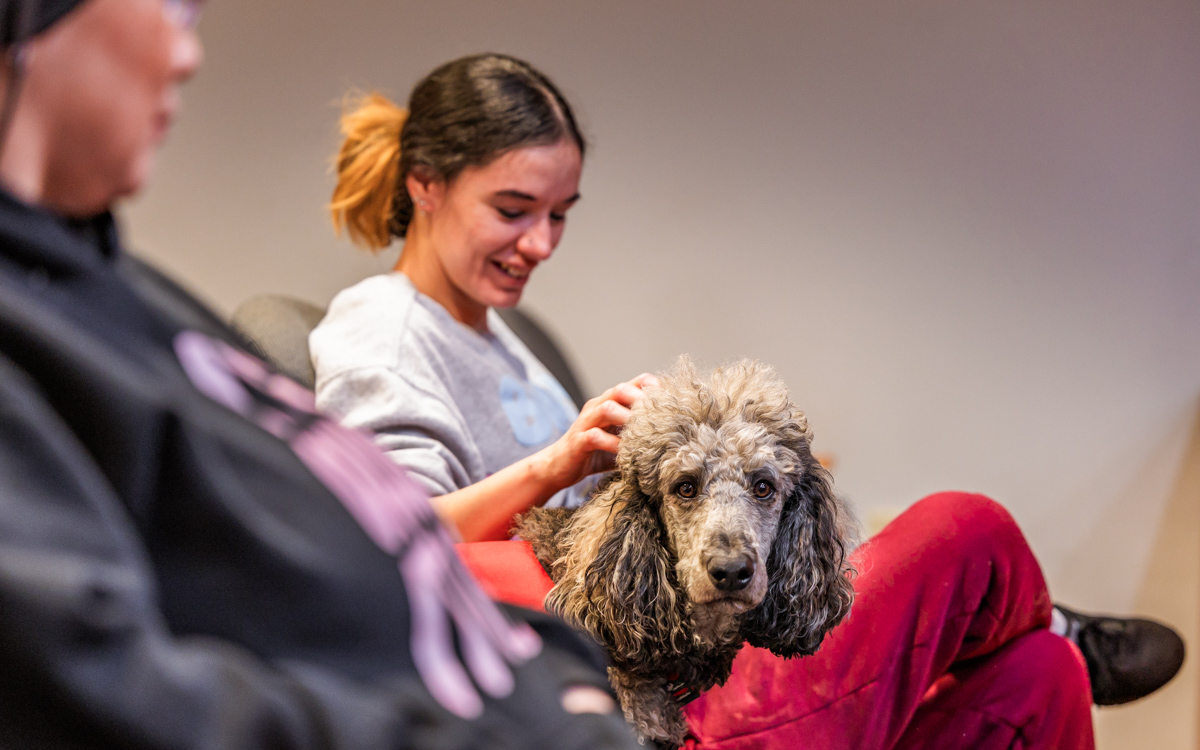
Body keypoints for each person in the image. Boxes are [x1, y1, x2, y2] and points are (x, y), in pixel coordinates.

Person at [310, 53, 1187, 749]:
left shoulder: (501, 339)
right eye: (513, 208)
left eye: (561, 213)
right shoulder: (383, 330)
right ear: (425, 183)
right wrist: (555, 463)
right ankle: (1059, 616)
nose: (540, 242)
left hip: (688, 641)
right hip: (645, 697)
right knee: (968, 529)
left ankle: (1055, 639)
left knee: (1039, 681)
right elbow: (388, 538)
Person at [0, 2, 640, 748]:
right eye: (172, 6)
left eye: (559, 215)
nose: (188, 53)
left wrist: (563, 672)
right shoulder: (40, 335)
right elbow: (107, 690)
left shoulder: (119, 289)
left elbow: (387, 557)